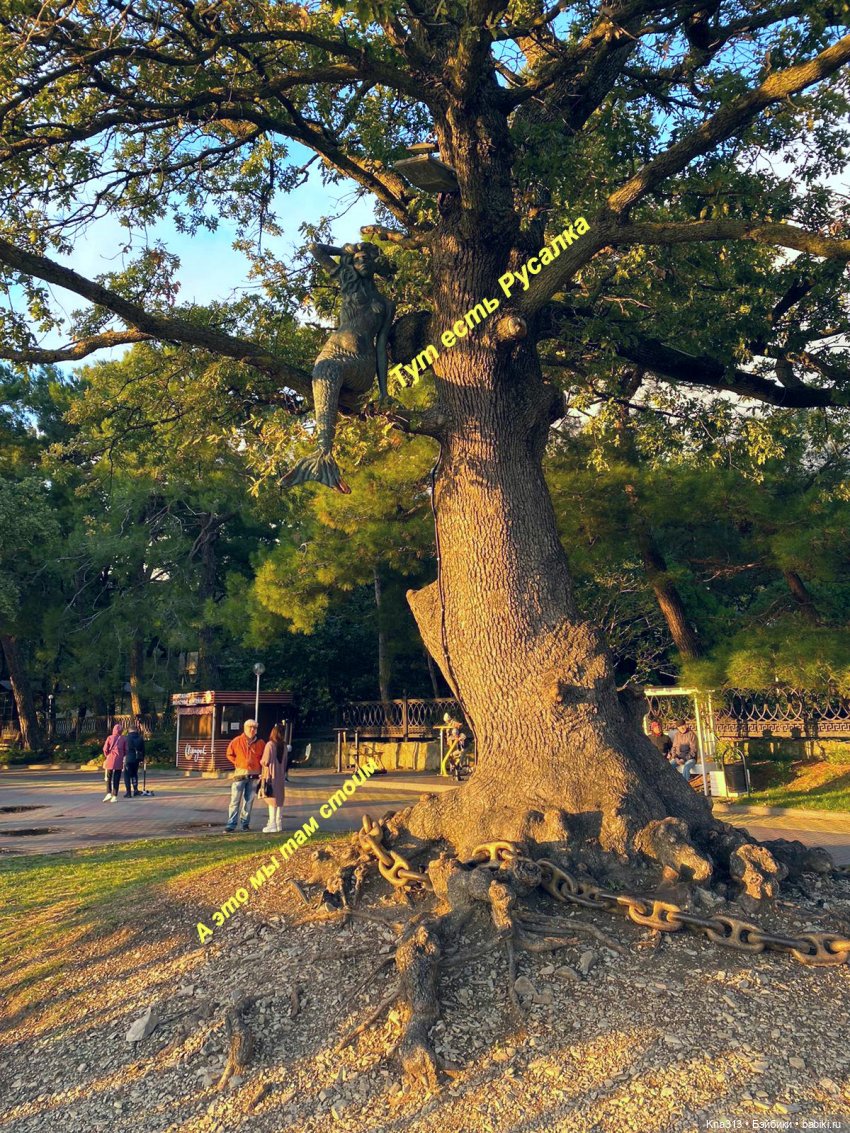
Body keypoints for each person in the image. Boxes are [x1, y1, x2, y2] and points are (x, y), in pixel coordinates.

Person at [223, 719, 265, 833]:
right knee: (235, 801)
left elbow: (263, 759)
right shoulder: (237, 741)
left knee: (249, 801)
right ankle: (231, 824)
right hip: (240, 775)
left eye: (254, 728)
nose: (252, 730)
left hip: (254, 776)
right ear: (245, 728)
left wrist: (262, 772)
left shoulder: (261, 743)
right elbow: (229, 753)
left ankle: (245, 824)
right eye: (250, 727)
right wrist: (237, 762)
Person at [260, 724, 288, 833]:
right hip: (280, 776)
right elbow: (285, 762)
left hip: (270, 776)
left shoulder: (270, 745)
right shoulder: (284, 746)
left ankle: (272, 823)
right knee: (279, 799)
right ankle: (278, 822)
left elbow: (265, 761)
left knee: (271, 800)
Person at [102, 723, 127, 802]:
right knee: (117, 778)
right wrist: (122, 755)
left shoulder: (109, 737)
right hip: (119, 759)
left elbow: (105, 749)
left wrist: (107, 755)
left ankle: (108, 792)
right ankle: (114, 796)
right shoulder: (124, 739)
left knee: (108, 776)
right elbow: (126, 750)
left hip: (110, 758)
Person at [124, 718, 145, 797]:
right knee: (134, 774)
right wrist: (142, 759)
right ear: (136, 730)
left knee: (127, 775)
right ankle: (135, 789)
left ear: (129, 730)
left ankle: (128, 792)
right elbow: (143, 749)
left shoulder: (126, 738)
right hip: (137, 759)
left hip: (128, 759)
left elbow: (124, 749)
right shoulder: (140, 738)